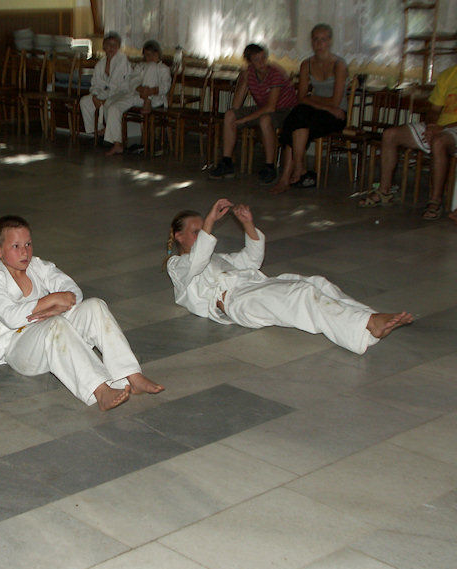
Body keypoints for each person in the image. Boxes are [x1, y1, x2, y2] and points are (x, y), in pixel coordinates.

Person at [165, 199, 413, 354]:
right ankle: (367, 323)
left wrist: (248, 224)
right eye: (197, 231)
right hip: (236, 301)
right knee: (302, 295)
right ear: (178, 236)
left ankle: (369, 323)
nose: (203, 235)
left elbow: (251, 260)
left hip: (254, 286)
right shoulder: (176, 266)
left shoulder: (218, 258)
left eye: (204, 230)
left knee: (316, 283)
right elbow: (197, 260)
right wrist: (210, 220)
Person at [0, 216, 164, 411]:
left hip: (51, 329)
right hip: (19, 347)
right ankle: (100, 390)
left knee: (95, 306)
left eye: (28, 244)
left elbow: (73, 292)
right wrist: (51, 300)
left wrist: (56, 306)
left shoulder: (37, 266)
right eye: (16, 246)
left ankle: (131, 375)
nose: (25, 251)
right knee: (56, 325)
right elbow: (12, 317)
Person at [357, 64, 457, 220]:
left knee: (438, 142)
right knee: (390, 134)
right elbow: (434, 110)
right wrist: (431, 126)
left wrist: (441, 128)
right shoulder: (449, 74)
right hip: (439, 127)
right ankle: (384, 191)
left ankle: (435, 201)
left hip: (451, 129)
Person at [270, 24, 348, 194]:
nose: (319, 44)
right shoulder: (306, 64)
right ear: (311, 42)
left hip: (336, 115)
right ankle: (298, 168)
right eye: (316, 40)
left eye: (323, 40)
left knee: (296, 120)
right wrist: (315, 101)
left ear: (330, 41)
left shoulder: (339, 64)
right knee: (298, 120)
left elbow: (335, 101)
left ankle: (288, 176)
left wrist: (312, 98)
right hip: (313, 112)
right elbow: (301, 97)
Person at [208, 43, 297, 184]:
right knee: (230, 115)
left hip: (285, 110)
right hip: (263, 108)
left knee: (265, 120)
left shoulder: (275, 73)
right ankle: (227, 162)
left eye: (263, 58)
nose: (262, 63)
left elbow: (271, 107)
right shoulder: (249, 73)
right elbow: (236, 105)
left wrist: (244, 120)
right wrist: (243, 80)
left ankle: (270, 166)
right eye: (256, 60)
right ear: (249, 62)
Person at [104, 39, 172, 156]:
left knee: (152, 67)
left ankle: (147, 100)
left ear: (157, 54)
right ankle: (117, 143)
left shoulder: (163, 68)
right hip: (138, 95)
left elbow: (165, 86)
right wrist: (141, 89)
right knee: (113, 107)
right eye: (146, 55)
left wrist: (151, 91)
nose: (148, 58)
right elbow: (133, 81)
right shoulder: (140, 66)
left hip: (156, 99)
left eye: (150, 55)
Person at [79, 32, 132, 151]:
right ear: (104, 46)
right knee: (85, 101)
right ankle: (98, 130)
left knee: (109, 105)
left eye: (114, 45)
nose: (111, 47)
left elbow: (115, 84)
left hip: (120, 92)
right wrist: (95, 95)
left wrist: (103, 98)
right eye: (108, 44)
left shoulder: (122, 60)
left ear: (118, 47)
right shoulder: (101, 63)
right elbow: (95, 83)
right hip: (104, 93)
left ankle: (112, 139)